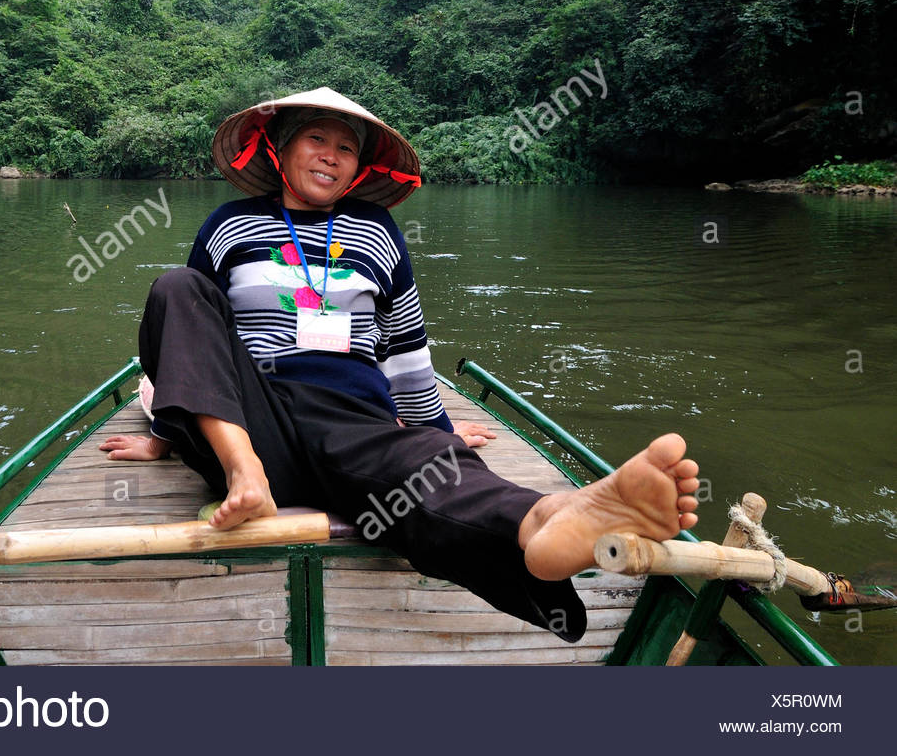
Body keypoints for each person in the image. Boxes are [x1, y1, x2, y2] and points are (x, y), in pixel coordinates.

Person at [101, 87, 699, 642]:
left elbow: (406, 348)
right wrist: (164, 435)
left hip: (352, 419)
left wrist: (437, 432)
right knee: (176, 285)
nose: (330, 157)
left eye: (345, 149)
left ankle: (546, 520)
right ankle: (247, 479)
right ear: (281, 150)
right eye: (317, 140)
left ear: (357, 167)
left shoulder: (376, 228)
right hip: (253, 421)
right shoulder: (229, 223)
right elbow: (187, 329)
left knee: (433, 467)